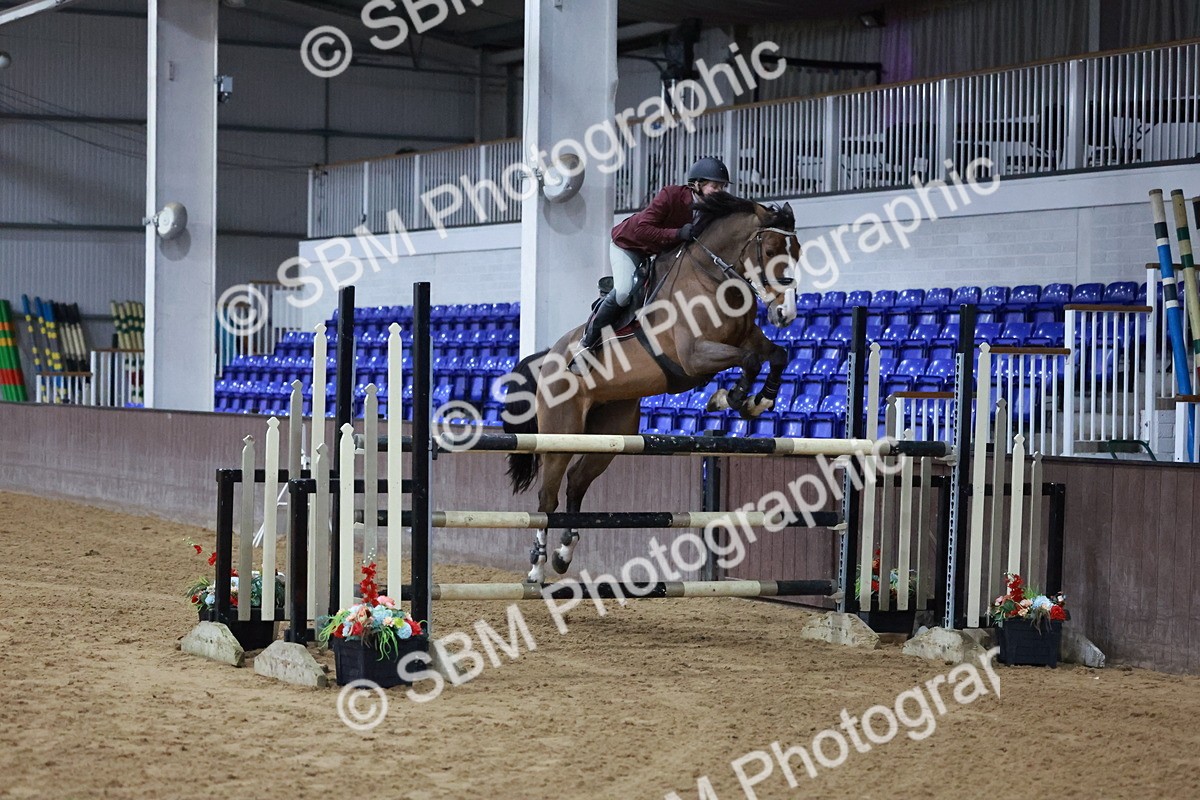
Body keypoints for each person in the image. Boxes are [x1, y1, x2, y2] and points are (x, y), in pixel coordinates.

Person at [573, 156, 730, 364]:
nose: (719, 192)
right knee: (624, 290)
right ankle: (587, 342)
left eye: (722, 187)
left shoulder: (713, 211)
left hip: (659, 253)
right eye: (715, 187)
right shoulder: (671, 195)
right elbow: (643, 229)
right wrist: (678, 234)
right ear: (697, 185)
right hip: (629, 245)